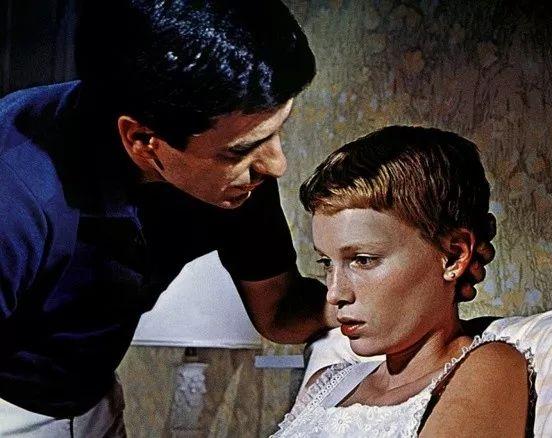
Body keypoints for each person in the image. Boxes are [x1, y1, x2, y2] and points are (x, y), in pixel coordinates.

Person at [0, 0, 332, 435]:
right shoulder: (14, 191)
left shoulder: (238, 175)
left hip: (94, 400)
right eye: (242, 149)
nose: (276, 165)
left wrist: (375, 300)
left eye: (276, 131)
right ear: (142, 140)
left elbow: (279, 310)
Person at [273, 126, 536, 437]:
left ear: (453, 256)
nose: (334, 293)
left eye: (363, 260)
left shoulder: (489, 368)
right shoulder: (326, 384)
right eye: (327, 263)